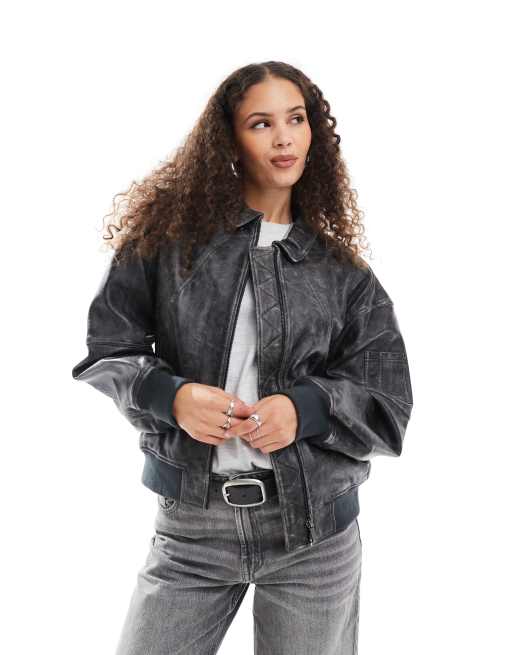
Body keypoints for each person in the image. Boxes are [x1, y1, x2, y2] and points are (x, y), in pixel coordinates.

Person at [71, 60, 414, 655]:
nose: (283, 138)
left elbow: (388, 401)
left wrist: (306, 409)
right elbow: (109, 349)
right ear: (229, 140)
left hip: (314, 532)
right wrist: (171, 396)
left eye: (296, 119)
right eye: (261, 123)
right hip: (193, 525)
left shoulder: (344, 274)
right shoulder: (168, 245)